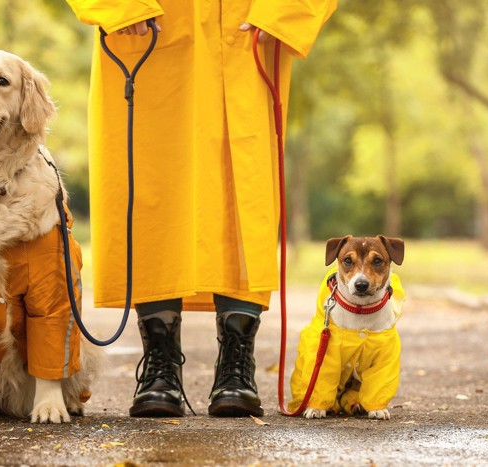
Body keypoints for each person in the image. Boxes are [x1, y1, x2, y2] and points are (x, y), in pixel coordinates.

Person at [66, 0, 337, 417]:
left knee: (241, 191)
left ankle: (236, 363)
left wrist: (284, 12)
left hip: (245, 35)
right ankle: (160, 363)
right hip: (150, 34)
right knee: (151, 188)